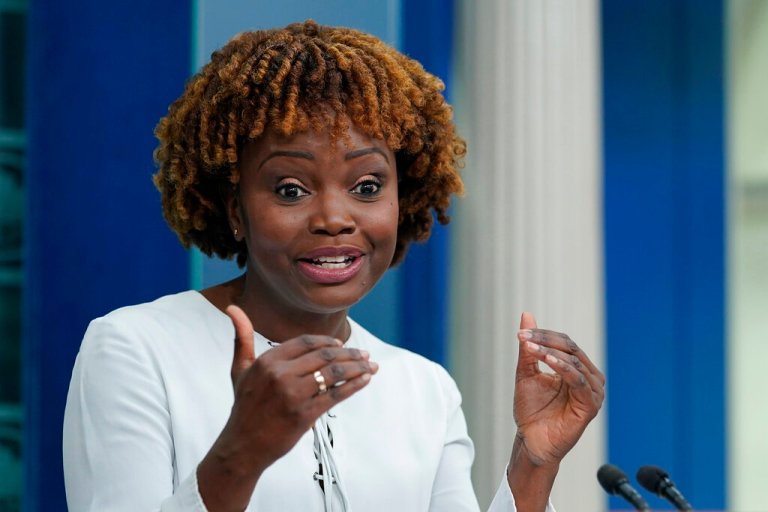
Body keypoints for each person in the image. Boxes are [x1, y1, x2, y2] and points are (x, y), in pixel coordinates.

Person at [63, 20, 604, 512]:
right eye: (291, 189)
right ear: (235, 210)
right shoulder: (135, 349)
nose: (334, 218)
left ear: (403, 198)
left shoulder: (423, 389)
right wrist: (241, 453)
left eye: (367, 186)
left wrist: (533, 463)